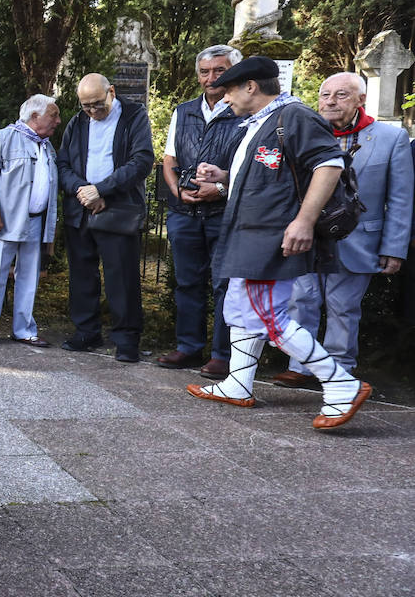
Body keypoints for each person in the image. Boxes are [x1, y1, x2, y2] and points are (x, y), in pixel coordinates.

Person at [187, 56, 371, 430]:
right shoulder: (263, 123)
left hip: (270, 239)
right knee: (240, 312)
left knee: (271, 318)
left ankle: (342, 384)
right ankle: (238, 384)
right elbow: (267, 177)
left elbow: (329, 165)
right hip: (249, 239)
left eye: (230, 92)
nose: (226, 101)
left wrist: (303, 221)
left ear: (251, 87)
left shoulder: (295, 117)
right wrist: (223, 176)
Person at [275, 72, 413, 388]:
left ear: (360, 100)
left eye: (341, 95)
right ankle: (301, 365)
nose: (330, 101)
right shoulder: (304, 135)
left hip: (357, 239)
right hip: (306, 234)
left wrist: (393, 247)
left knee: (343, 308)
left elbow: (401, 197)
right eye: (325, 95)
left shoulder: (391, 138)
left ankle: (338, 370)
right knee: (301, 301)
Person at [157, 45, 247, 380]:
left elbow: (250, 166)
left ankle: (222, 355)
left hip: (224, 212)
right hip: (184, 212)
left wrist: (221, 189)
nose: (210, 78)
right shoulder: (184, 111)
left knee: (225, 285)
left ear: (234, 73)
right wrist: (177, 190)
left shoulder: (244, 113)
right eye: (204, 72)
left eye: (219, 71)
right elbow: (169, 160)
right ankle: (188, 346)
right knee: (186, 282)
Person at [55, 73, 154, 362]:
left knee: (121, 277)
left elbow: (141, 161)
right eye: (85, 106)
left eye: (97, 104)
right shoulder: (78, 121)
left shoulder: (134, 116)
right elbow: (63, 164)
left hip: (118, 208)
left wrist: (102, 191)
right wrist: (82, 191)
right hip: (80, 209)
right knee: (82, 275)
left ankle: (126, 339)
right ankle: (86, 331)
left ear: (111, 92)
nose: (92, 112)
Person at [0, 94, 61, 347]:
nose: (58, 121)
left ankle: (23, 329)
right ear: (34, 116)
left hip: (35, 221)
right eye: (53, 115)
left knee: (29, 277)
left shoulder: (45, 145)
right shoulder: (3, 138)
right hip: (4, 221)